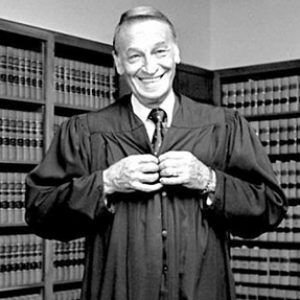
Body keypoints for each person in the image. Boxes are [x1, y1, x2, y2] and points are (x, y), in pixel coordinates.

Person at [25, 6, 287, 300]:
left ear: (176, 53)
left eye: (160, 52)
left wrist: (210, 181)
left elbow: (270, 208)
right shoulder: (86, 132)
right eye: (135, 56)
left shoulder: (223, 127)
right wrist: (106, 183)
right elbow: (39, 212)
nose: (150, 67)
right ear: (118, 63)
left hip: (203, 291)